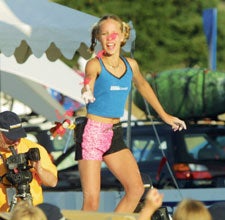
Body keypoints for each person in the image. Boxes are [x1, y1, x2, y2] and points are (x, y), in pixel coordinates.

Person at [76, 14, 187, 213]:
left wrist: (165, 116)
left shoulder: (131, 65)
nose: (110, 38)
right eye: (104, 34)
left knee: (136, 189)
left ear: (122, 37)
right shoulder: (94, 64)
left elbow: (143, 86)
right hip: (91, 132)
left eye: (114, 34)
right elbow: (89, 79)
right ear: (98, 38)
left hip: (114, 132)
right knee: (92, 200)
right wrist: (86, 90)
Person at [0, 111, 58, 212]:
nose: (16, 141)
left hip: (31, 212)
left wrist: (39, 169)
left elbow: (52, 182)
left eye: (18, 136)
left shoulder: (33, 149)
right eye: (11, 138)